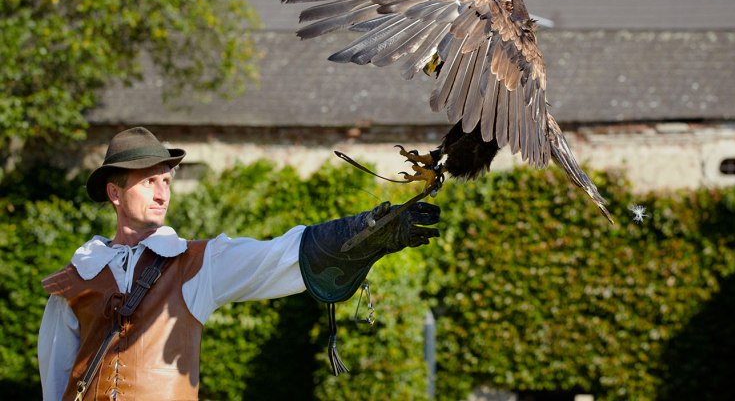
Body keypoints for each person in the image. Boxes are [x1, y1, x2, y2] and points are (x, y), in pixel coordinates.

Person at [38, 127, 440, 400]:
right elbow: (55, 380)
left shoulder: (197, 264)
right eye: (148, 182)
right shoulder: (78, 278)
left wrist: (368, 230)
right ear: (115, 192)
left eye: (166, 181)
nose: (162, 193)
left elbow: (281, 255)